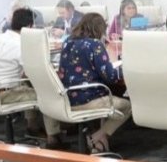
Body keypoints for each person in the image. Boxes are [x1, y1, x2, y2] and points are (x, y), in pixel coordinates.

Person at [50, 13, 131, 152]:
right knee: (127, 106)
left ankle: (99, 144)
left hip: (67, 98)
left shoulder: (68, 41)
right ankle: (98, 135)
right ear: (99, 29)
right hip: (88, 100)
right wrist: (126, 68)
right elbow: (111, 76)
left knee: (107, 95)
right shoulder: (95, 45)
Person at [0, 7, 42, 134]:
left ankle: (32, 126)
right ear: (30, 26)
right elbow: (33, 73)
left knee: (26, 84)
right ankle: (53, 136)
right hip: (6, 95)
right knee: (47, 94)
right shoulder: (22, 45)